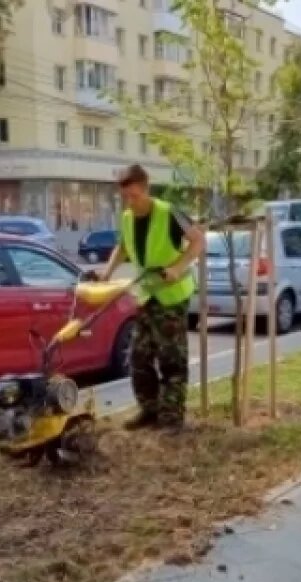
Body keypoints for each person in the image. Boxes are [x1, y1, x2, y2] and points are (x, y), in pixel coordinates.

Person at [99, 165, 204, 433]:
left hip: (171, 296)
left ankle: (172, 419)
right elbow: (123, 247)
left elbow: (198, 241)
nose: (130, 202)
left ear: (145, 188)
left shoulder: (169, 212)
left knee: (172, 360)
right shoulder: (126, 217)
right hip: (146, 295)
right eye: (125, 197)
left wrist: (178, 267)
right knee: (138, 357)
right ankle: (150, 410)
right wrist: (107, 273)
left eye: (134, 196)